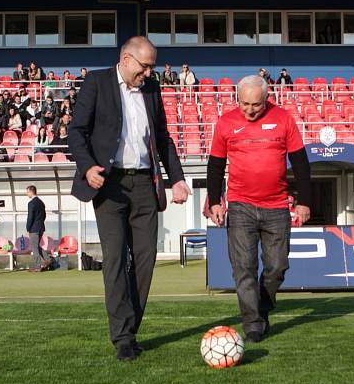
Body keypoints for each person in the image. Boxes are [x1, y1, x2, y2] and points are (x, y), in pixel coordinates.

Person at [68, 36, 192, 361]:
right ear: (126, 58)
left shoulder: (151, 89)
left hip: (145, 185)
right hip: (109, 185)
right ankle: (123, 337)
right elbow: (76, 131)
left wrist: (177, 179)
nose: (149, 73)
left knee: (146, 258)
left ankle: (130, 327)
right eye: (145, 65)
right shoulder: (96, 82)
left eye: (152, 66)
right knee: (114, 259)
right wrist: (87, 167)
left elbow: (163, 138)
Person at [206, 75, 311, 343]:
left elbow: (300, 162)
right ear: (237, 98)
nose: (249, 110)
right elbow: (216, 165)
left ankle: (262, 307)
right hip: (240, 206)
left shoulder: (284, 119)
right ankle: (252, 323)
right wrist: (215, 200)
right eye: (244, 104)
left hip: (277, 206)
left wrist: (304, 201)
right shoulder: (226, 122)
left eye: (255, 104)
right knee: (244, 268)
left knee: (277, 266)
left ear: (266, 99)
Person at [26, 185, 55, 271]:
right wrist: (40, 223)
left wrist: (28, 227)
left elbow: (30, 217)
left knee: (34, 247)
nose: (27, 194)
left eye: (27, 192)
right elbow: (44, 215)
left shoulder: (31, 203)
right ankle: (49, 260)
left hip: (34, 229)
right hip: (41, 227)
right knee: (37, 246)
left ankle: (38, 266)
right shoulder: (41, 202)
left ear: (31, 191)